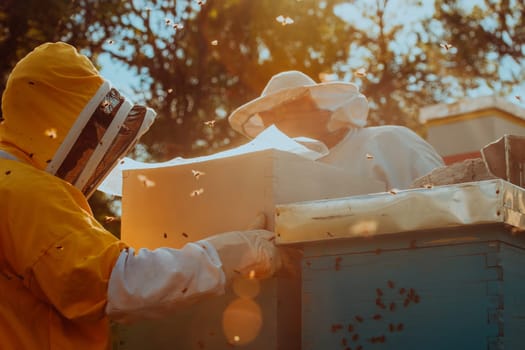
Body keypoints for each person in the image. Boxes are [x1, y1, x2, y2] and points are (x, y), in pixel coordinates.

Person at [0, 42, 281, 349]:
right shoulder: (25, 191)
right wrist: (226, 256)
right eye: (88, 139)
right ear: (53, 122)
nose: (89, 152)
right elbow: (119, 282)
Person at [228, 70, 445, 192]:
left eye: (286, 110)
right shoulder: (282, 173)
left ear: (321, 107)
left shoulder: (392, 141)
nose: (276, 123)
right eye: (269, 117)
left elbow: (445, 202)